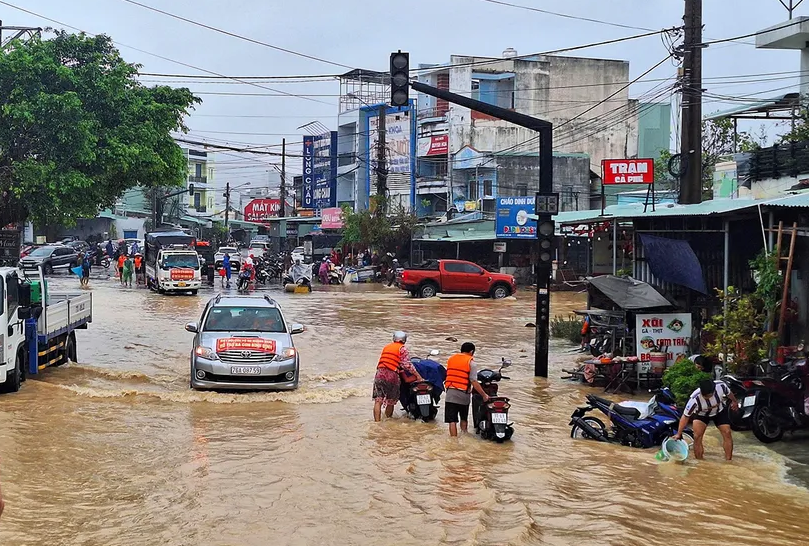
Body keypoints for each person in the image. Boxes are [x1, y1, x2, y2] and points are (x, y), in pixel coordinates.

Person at [673, 378, 739, 461]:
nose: (707, 398)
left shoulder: (721, 386)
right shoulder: (694, 399)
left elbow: (729, 394)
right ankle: (699, 462)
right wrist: (679, 433)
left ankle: (728, 460)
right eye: (705, 396)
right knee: (697, 436)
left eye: (709, 396)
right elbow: (685, 416)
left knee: (727, 432)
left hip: (719, 411)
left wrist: (734, 402)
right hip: (701, 415)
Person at [373, 331, 422, 421]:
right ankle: (387, 420)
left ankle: (377, 423)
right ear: (404, 340)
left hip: (379, 374)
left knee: (378, 400)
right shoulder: (402, 349)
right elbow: (407, 365)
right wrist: (418, 375)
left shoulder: (386, 347)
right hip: (392, 375)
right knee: (390, 401)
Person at [444, 342, 490, 437]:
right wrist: (484, 395)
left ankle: (453, 442)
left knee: (452, 421)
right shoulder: (471, 363)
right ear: (472, 351)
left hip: (450, 393)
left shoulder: (451, 359)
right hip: (463, 394)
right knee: (463, 418)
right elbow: (473, 381)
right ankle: (464, 435)